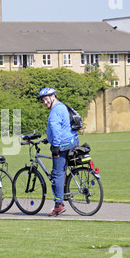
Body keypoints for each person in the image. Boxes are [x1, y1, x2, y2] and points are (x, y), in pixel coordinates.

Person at [38, 87, 79, 217]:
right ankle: (63, 193)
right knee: (62, 172)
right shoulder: (62, 106)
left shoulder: (55, 111)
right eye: (43, 100)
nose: (45, 102)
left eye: (46, 99)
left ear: (53, 96)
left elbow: (56, 131)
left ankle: (58, 205)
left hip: (63, 145)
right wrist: (48, 139)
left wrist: (55, 146)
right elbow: (63, 127)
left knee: (57, 175)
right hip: (73, 141)